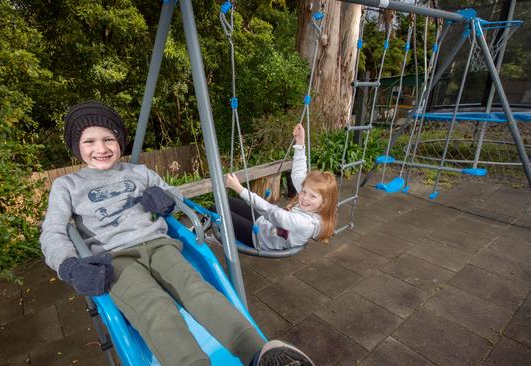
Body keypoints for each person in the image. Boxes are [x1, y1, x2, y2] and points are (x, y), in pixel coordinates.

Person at [39, 101, 314, 366]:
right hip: (114, 259)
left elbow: (173, 195)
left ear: (120, 140)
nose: (101, 148)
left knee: (196, 289)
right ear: (76, 146)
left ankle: (258, 353)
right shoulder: (67, 185)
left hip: (158, 244)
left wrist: (165, 199)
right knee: (155, 307)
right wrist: (69, 266)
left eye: (108, 139)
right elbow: (53, 231)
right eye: (89, 141)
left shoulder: (139, 173)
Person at [224, 123, 338, 251]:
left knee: (219, 212)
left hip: (259, 238)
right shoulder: (314, 204)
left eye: (312, 196)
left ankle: (197, 234)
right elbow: (299, 174)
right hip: (265, 224)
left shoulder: (305, 224)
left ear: (324, 203)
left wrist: (240, 189)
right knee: (226, 202)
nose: (305, 197)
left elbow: (271, 211)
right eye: (304, 192)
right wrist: (300, 144)